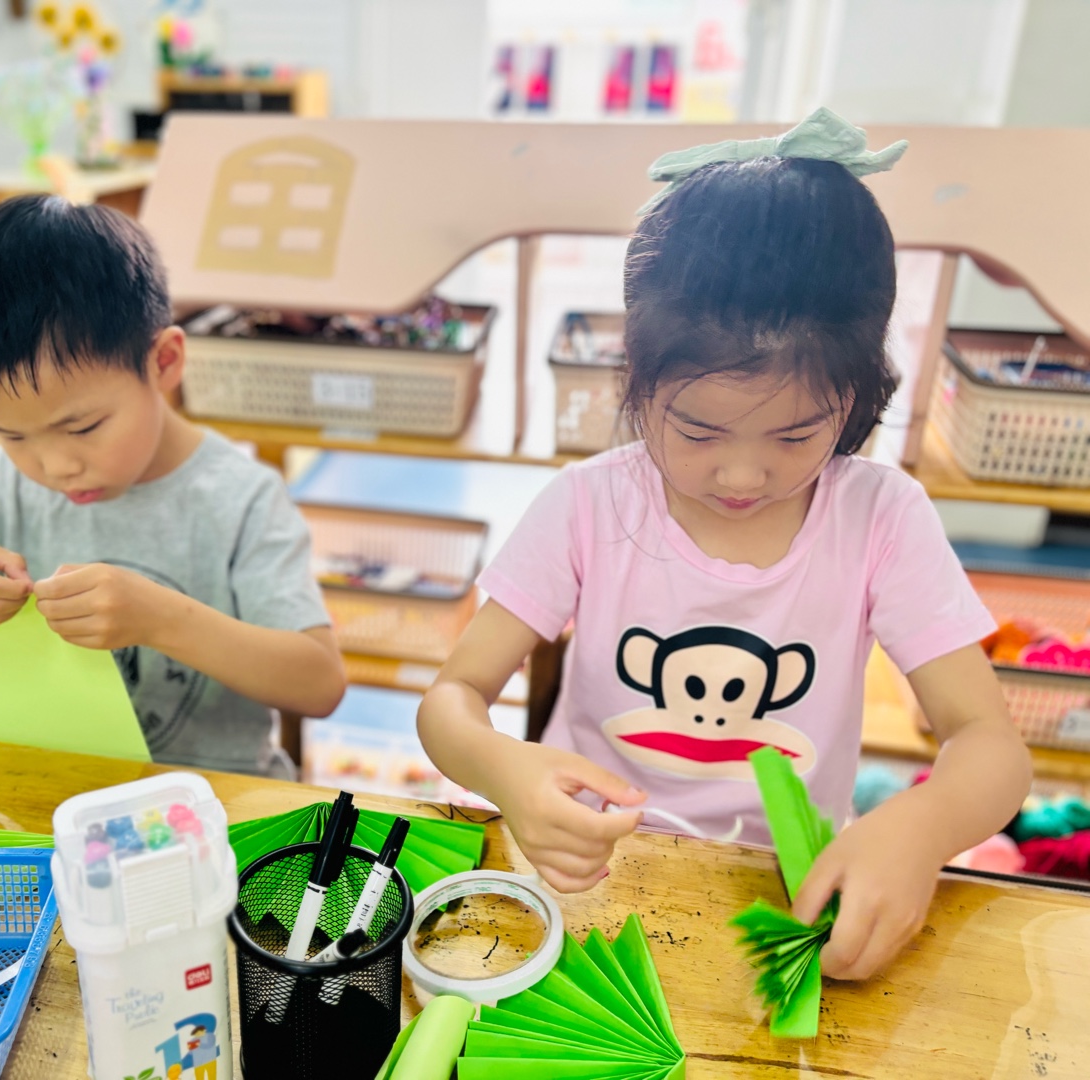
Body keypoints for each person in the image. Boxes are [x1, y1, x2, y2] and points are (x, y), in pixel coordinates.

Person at [417, 109, 1031, 981]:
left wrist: (919, 828)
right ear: (636, 382)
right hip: (593, 880)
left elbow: (991, 746)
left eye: (796, 434)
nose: (742, 475)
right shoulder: (591, 503)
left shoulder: (880, 517)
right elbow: (452, 697)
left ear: (857, 400)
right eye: (699, 431)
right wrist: (504, 772)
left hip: (784, 894)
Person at [0, 195, 345, 772]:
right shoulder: (2, 485)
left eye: (83, 427)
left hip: (214, 799)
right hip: (52, 793)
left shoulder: (241, 499)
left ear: (164, 362)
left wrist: (163, 621)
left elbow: (319, 684)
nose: (55, 467)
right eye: (11, 435)